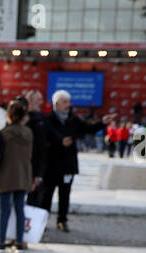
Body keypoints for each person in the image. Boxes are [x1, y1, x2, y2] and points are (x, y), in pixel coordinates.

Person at [35, 88, 107, 233]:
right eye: (64, 102)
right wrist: (59, 142)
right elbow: (44, 140)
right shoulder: (47, 120)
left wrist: (102, 123)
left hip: (67, 165)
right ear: (56, 104)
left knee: (65, 195)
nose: (68, 105)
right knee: (46, 195)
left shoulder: (73, 119)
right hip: (51, 166)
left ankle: (62, 220)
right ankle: (42, 221)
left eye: (68, 101)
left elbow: (88, 129)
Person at [0, 97, 40, 252]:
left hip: (6, 175)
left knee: (5, 210)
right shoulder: (28, 133)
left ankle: (1, 239)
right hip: (24, 174)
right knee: (20, 210)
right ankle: (19, 240)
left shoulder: (4, 133)